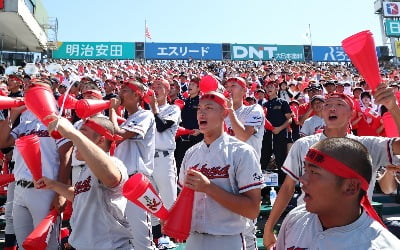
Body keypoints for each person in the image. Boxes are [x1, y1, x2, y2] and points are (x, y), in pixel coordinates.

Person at [263, 85, 400, 249]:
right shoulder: (303, 144)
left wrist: (392, 107)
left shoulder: (368, 145)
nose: (331, 108)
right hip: (307, 224)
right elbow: (287, 188)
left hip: (355, 230)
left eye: (339, 104)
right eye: (327, 104)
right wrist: (269, 227)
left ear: (352, 113)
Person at [276, 138, 400, 249]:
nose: (302, 179)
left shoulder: (382, 245)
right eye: (305, 170)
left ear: (351, 187)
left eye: (314, 172)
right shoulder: (296, 218)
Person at [179, 91, 264, 250]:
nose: (201, 112)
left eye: (209, 108)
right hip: (194, 239)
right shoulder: (191, 153)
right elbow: (183, 200)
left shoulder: (242, 151)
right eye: (199, 109)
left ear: (224, 114)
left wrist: (209, 188)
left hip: (227, 240)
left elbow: (253, 210)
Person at [35, 116, 134, 249]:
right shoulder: (87, 169)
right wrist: (52, 184)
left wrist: (73, 134)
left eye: (82, 133)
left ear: (100, 140)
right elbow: (79, 196)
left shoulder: (114, 163)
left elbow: (111, 178)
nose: (75, 141)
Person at [0, 78, 71, 249]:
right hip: (20, 188)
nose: (31, 91)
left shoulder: (59, 119)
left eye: (37, 88)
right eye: (29, 88)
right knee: (25, 244)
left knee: (49, 245)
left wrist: (60, 193)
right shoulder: (26, 120)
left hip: (45, 190)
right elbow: (3, 142)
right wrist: (13, 113)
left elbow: (65, 158)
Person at [109, 79, 157, 250]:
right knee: (121, 234)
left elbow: (119, 135)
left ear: (137, 95)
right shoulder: (128, 118)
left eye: (125, 90)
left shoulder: (145, 114)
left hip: (136, 180)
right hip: (120, 180)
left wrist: (113, 111)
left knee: (141, 236)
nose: (120, 93)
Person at [148, 78, 181, 245]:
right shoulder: (145, 111)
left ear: (167, 91)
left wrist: (153, 108)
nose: (155, 89)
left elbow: (162, 126)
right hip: (147, 159)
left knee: (168, 200)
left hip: (164, 158)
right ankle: (155, 237)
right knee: (150, 200)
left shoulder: (172, 108)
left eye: (159, 86)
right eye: (153, 86)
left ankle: (169, 236)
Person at [261, 81, 292, 175]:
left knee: (281, 160)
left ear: (276, 89)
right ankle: (261, 186)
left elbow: (290, 119)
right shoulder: (264, 105)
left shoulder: (283, 102)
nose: (269, 88)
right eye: (267, 87)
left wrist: (279, 128)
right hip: (266, 136)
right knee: (263, 160)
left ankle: (283, 185)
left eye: (271, 86)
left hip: (280, 135)